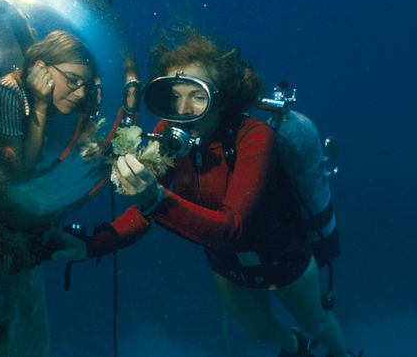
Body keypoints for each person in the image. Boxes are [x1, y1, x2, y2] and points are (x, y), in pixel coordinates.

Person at [55, 30, 358, 357]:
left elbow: (232, 225)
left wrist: (155, 199)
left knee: (316, 322)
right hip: (225, 261)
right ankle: (296, 346)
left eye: (197, 96)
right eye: (174, 96)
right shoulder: (165, 133)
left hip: (281, 255)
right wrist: (91, 246)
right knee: (261, 332)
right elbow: (146, 212)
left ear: (221, 98)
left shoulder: (252, 136)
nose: (182, 110)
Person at [0, 30, 97, 180]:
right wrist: (40, 105)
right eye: (72, 80)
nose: (81, 94)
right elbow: (20, 172)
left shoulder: (48, 100)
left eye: (85, 86)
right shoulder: (7, 92)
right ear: (40, 68)